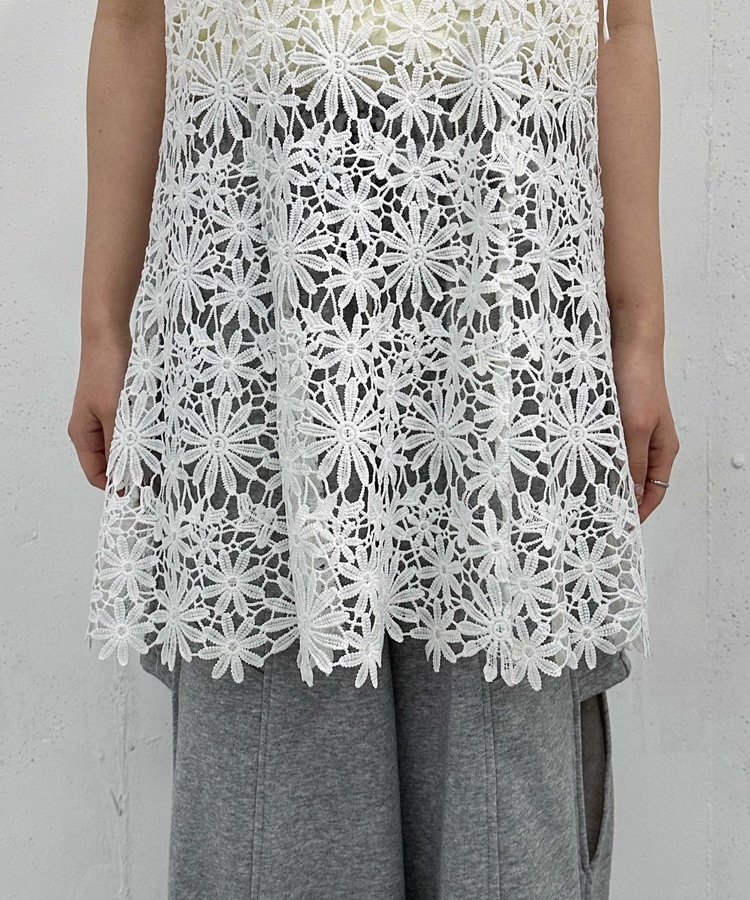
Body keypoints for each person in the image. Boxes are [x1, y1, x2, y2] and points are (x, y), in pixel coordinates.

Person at [68, 0, 679, 897]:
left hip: (508, 306)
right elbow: (130, 19)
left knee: (505, 812)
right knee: (270, 812)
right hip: (258, 308)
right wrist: (103, 328)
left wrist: (640, 333)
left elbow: (621, 23)